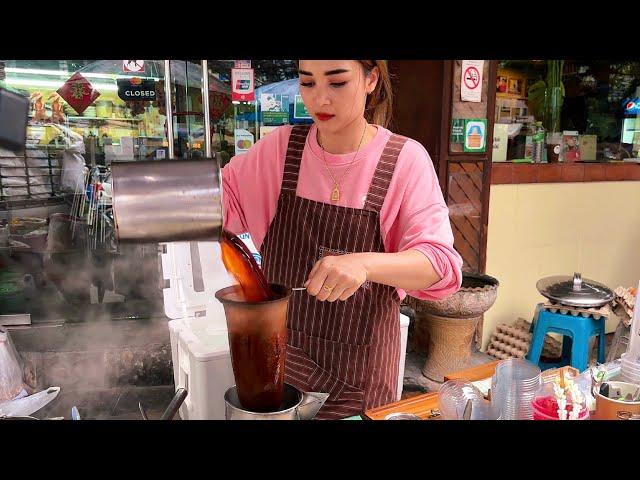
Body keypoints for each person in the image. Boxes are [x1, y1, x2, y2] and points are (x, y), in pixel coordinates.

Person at [222, 60, 462, 419]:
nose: (319, 99)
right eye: (307, 82)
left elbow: (440, 266)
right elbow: (216, 201)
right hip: (280, 374)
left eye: (337, 83)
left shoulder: (404, 161)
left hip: (362, 383)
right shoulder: (280, 150)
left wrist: (363, 264)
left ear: (371, 78)